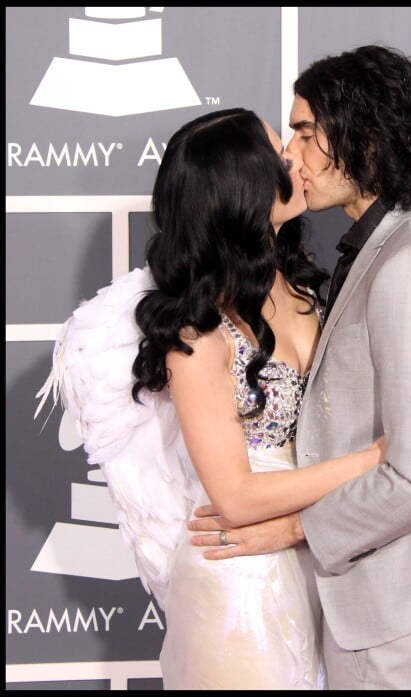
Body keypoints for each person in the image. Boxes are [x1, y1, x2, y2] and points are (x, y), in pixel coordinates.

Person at [187, 46, 411, 690]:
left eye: (306, 133)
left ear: (364, 137)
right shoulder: (389, 245)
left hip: (398, 597)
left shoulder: (410, 263)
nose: (291, 157)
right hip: (386, 589)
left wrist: (293, 528)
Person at [37, 107, 387, 690]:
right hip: (239, 590)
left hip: (322, 563)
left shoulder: (302, 284)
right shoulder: (196, 337)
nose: (297, 160)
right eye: (279, 155)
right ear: (241, 192)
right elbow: (237, 495)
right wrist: (376, 462)